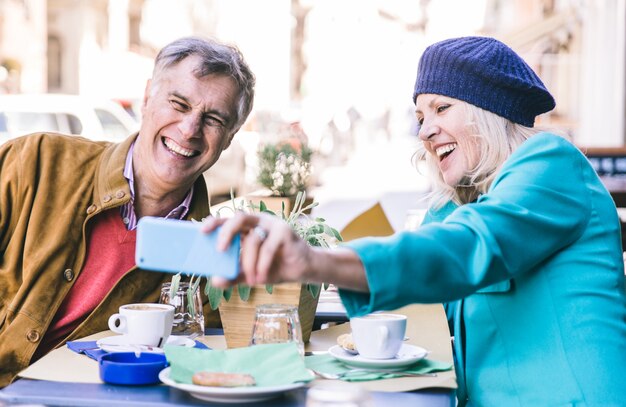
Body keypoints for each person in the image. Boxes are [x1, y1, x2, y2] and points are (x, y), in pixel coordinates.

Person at [205, 36, 626, 406]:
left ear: (490, 112)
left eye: (442, 107)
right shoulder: (466, 203)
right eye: (421, 117)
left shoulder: (551, 164)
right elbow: (419, 264)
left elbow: (465, 249)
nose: (424, 132)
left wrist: (313, 261)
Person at [0, 36, 255, 387]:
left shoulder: (209, 259)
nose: (190, 129)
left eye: (213, 119)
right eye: (179, 104)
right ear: (147, 97)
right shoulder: (33, 162)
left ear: (230, 138)